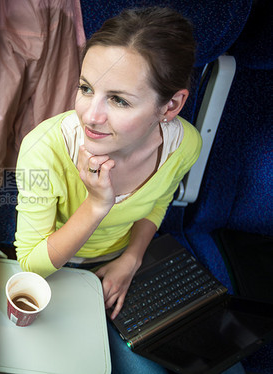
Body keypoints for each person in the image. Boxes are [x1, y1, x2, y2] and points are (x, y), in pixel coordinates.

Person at [14, 7, 244, 374]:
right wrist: (97, 204)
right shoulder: (43, 150)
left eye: (119, 100)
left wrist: (131, 259)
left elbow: (158, 204)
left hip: (132, 258)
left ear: (171, 105)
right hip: (66, 269)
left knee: (222, 363)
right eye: (86, 89)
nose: (91, 115)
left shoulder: (185, 145)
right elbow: (31, 260)